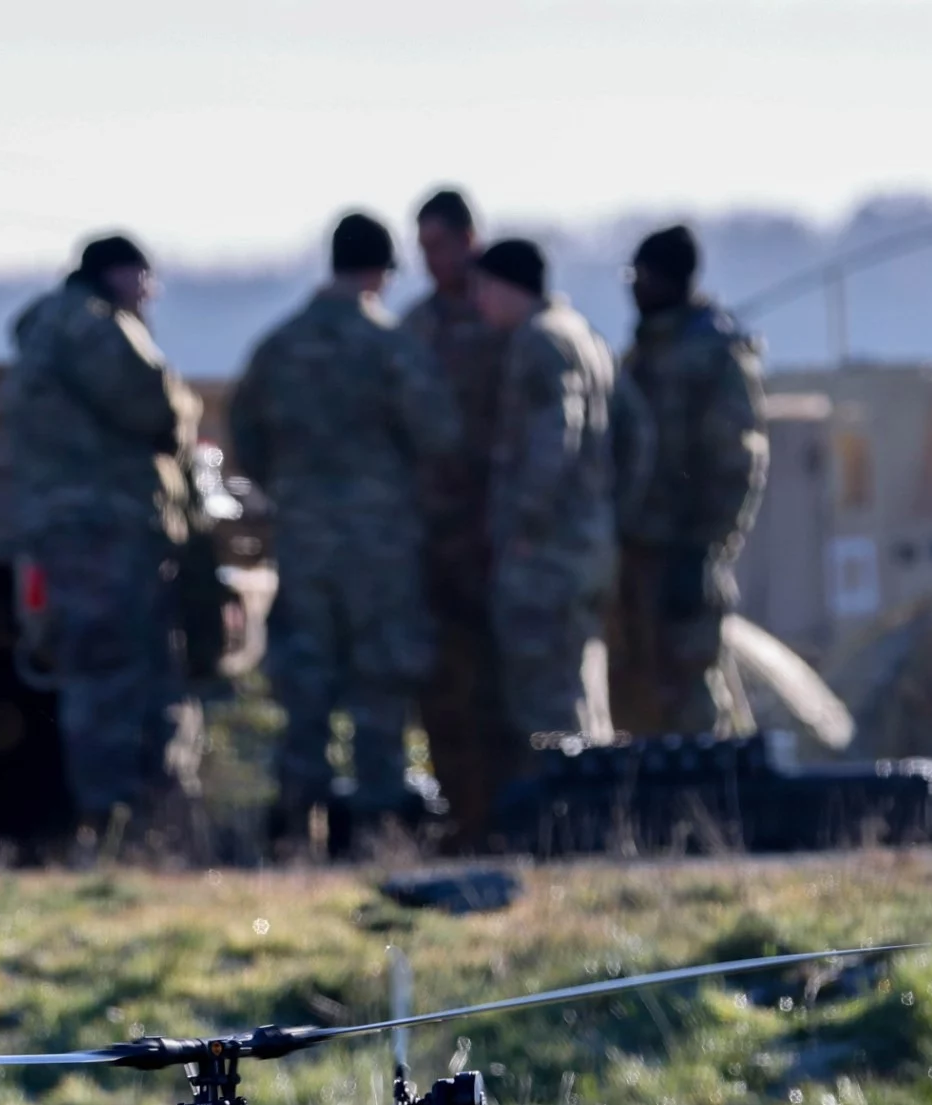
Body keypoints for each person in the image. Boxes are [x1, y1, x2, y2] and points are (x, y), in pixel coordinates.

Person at [229, 212, 460, 850]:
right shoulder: (392, 348)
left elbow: (245, 437)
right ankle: (377, 827)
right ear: (382, 273)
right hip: (380, 546)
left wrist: (296, 490)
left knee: (304, 682)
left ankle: (297, 826)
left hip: (303, 541)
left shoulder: (279, 346)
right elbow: (439, 434)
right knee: (379, 686)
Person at [4, 233, 197, 846]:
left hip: (76, 529)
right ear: (121, 275)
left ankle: (113, 822)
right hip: (107, 529)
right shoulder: (92, 326)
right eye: (146, 280)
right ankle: (123, 824)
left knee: (100, 670)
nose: (150, 295)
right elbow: (153, 406)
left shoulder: (48, 326)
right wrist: (186, 414)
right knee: (117, 675)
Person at [472, 238, 638, 768]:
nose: (478, 303)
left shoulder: (540, 342)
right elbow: (639, 436)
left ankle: (562, 813)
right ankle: (594, 809)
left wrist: (523, 525)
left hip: (545, 556)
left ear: (503, 286)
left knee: (545, 696)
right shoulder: (585, 336)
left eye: (482, 288)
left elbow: (553, 441)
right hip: (587, 544)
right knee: (581, 686)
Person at [613, 223, 768, 738]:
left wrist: (705, 551)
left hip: (684, 553)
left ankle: (709, 807)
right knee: (636, 698)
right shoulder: (643, 354)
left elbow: (737, 463)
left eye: (641, 276)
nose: (634, 288)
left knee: (691, 696)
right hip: (635, 554)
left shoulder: (713, 354)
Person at [400, 188, 511, 850]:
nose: (430, 261)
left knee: (507, 691)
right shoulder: (414, 328)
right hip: (437, 542)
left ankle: (515, 816)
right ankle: (462, 820)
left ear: (470, 238)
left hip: (501, 537)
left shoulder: (507, 317)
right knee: (444, 691)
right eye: (422, 249)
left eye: (439, 245)